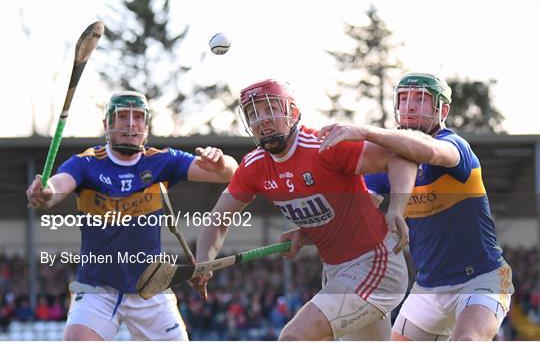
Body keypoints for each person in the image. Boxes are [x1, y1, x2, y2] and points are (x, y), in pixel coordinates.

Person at [192, 79, 418, 340]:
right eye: (253, 113)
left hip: (376, 263)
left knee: (293, 337)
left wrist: (397, 208)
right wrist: (204, 262)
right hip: (336, 271)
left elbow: (399, 156)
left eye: (270, 109)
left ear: (293, 114)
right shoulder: (253, 166)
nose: (261, 119)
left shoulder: (324, 146)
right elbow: (218, 220)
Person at [26, 91, 238, 341]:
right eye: (122, 116)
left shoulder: (162, 161)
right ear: (107, 125)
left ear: (145, 125)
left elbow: (229, 173)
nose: (130, 123)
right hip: (97, 287)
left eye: (137, 116)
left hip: (150, 285)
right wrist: (45, 192)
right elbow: (58, 186)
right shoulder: (86, 163)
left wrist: (221, 163)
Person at [317, 72, 515, 340]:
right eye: (403, 98)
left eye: (420, 99)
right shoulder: (387, 163)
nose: (409, 106)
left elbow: (428, 151)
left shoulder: (455, 147)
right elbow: (356, 212)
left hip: (481, 279)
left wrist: (363, 132)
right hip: (428, 287)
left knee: (467, 339)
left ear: (442, 109)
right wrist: (310, 232)